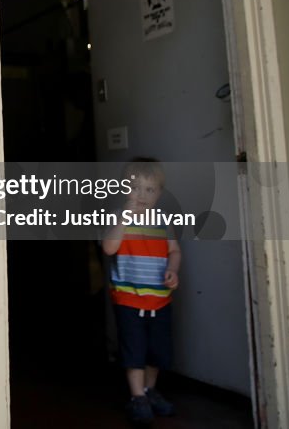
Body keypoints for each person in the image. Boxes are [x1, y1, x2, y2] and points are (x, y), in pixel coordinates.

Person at [102, 159, 181, 426]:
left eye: (150, 189)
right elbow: (109, 248)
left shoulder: (164, 221)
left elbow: (174, 251)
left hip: (159, 299)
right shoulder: (117, 217)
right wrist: (123, 220)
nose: (142, 195)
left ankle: (149, 390)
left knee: (156, 351)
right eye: (135, 188)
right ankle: (137, 396)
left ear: (159, 193)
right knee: (134, 349)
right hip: (128, 298)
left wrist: (173, 269)